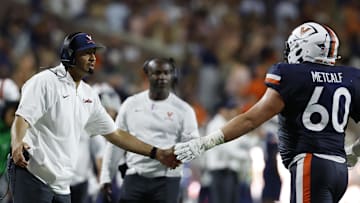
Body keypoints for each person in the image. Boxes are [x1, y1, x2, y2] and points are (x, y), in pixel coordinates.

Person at [175, 21, 357, 203]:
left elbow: (250, 120)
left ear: (305, 48)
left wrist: (204, 143)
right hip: (339, 169)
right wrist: (355, 152)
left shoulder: (291, 75)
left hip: (311, 164)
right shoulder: (350, 77)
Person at [8, 32, 180, 203]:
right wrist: (17, 144)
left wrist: (156, 153)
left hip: (62, 185)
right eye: (86, 53)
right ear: (70, 55)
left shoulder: (88, 95)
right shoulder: (45, 82)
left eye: (94, 53)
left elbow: (115, 134)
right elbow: (22, 118)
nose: (93, 58)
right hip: (33, 176)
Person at [99, 57, 200, 203]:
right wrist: (106, 176)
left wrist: (178, 152)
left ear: (172, 76)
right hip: (135, 174)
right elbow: (116, 142)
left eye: (166, 73)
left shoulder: (184, 110)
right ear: (148, 75)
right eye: (157, 73)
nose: (162, 77)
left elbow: (193, 144)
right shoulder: (130, 104)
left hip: (167, 179)